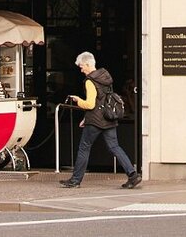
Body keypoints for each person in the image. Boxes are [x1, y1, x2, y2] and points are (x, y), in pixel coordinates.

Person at [59, 51, 141, 189]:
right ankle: (132, 175)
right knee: (115, 147)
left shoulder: (90, 81)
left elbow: (91, 104)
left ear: (87, 64)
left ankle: (75, 180)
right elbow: (102, 100)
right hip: (108, 118)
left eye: (81, 66)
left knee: (84, 148)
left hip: (96, 121)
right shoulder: (105, 76)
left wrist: (78, 101)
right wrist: (86, 118)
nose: (81, 69)